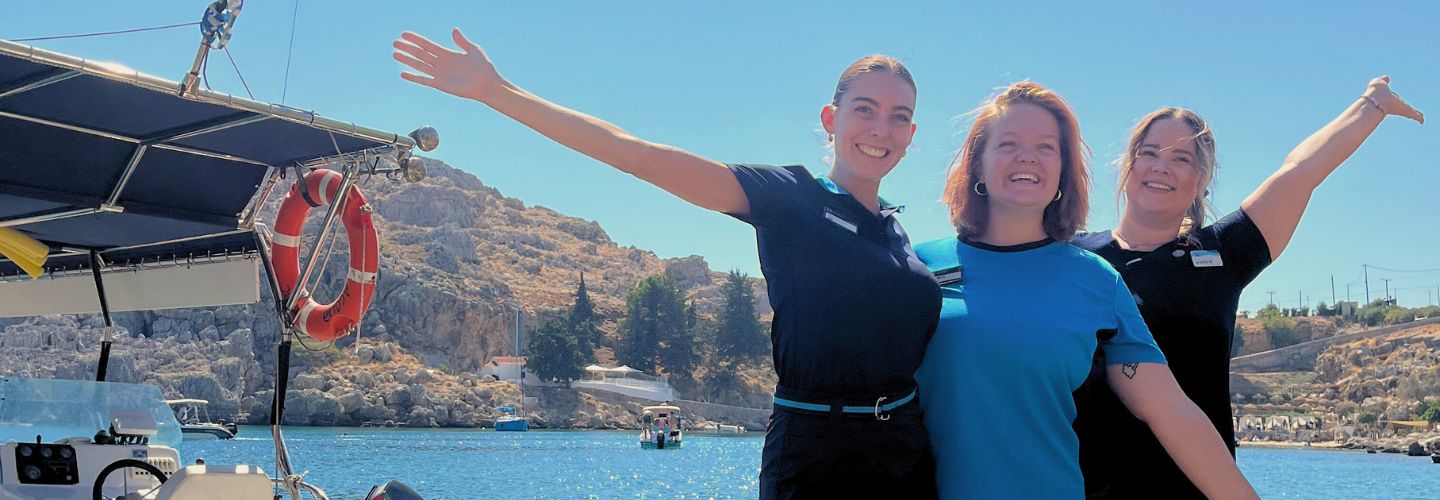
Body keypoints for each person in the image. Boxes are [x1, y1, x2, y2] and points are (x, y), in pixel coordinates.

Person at [392, 29, 940, 498]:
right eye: (865, 109)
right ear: (830, 118)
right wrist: (496, 91)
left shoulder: (898, 235)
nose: (881, 129)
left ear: (911, 135)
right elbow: (636, 154)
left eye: (899, 117)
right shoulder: (791, 197)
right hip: (817, 456)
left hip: (905, 452)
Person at [1073, 77, 1423, 499]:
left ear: (1202, 180)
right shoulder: (1071, 257)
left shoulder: (1223, 255)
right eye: (1149, 153)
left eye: (1181, 158)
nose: (1161, 166)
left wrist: (1372, 104)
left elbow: (1301, 171)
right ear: (1127, 165)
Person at [913, 82, 1257, 499]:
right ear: (978, 165)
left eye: (1046, 147)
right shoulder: (917, 268)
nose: (1027, 157)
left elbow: (1170, 412)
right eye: (1008, 144)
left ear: (1063, 171)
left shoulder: (1097, 280)